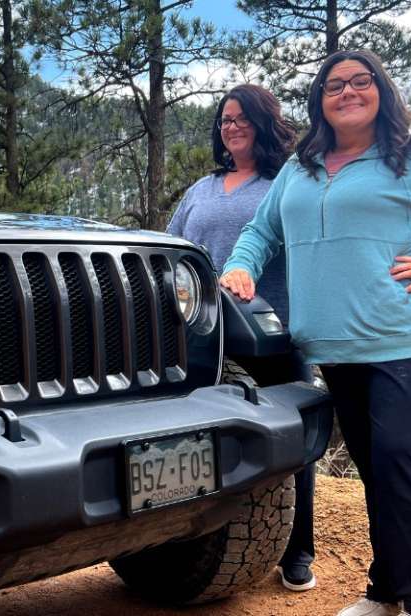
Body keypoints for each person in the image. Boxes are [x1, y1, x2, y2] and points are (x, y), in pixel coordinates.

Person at [220, 50, 411, 616]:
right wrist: (241, 264)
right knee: (376, 470)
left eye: (361, 81)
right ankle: (386, 591)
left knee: (400, 465)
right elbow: (260, 230)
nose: (348, 92)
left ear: (381, 91)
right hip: (335, 348)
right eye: (334, 85)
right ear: (320, 101)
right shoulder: (301, 165)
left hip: (406, 342)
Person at [166, 84, 318, 593]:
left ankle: (298, 551)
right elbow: (172, 252)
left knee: (289, 442)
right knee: (206, 442)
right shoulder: (201, 190)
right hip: (204, 341)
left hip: (272, 334)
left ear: (263, 123)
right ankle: (202, 542)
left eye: (242, 118)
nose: (231, 127)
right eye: (225, 120)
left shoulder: (286, 184)